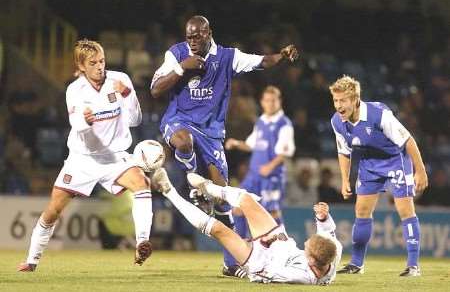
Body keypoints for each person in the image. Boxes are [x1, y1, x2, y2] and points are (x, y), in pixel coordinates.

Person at [150, 15, 298, 276]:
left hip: (212, 131)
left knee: (223, 199)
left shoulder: (229, 57)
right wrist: (182, 68)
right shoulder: (177, 54)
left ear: (209, 33)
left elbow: (261, 62)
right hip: (179, 120)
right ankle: (194, 182)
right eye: (189, 37)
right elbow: (155, 89)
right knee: (182, 141)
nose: (193, 42)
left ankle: (231, 262)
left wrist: (282, 56)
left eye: (198, 36)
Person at [18, 39, 154, 271]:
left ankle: (142, 242)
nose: (100, 66)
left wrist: (128, 93)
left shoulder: (120, 80)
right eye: (93, 63)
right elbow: (78, 126)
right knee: (54, 209)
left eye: (102, 61)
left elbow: (135, 120)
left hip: (114, 157)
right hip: (82, 159)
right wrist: (85, 121)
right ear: (81, 66)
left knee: (142, 183)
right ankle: (31, 260)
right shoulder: (75, 90)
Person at [150, 168, 342, 285]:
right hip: (280, 243)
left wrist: (258, 245)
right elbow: (327, 233)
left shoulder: (301, 277)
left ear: (312, 261)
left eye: (307, 248)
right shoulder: (333, 251)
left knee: (219, 230)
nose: (306, 243)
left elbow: (267, 274)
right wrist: (322, 217)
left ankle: (167, 190)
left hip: (260, 260)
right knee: (247, 200)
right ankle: (209, 188)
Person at [329, 75, 428, 276]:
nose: (339, 106)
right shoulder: (337, 122)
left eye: (343, 101)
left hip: (395, 161)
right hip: (369, 164)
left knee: (405, 210)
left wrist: (420, 171)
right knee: (361, 211)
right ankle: (356, 264)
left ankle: (413, 266)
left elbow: (408, 140)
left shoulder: (379, 115)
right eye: (336, 100)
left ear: (355, 100)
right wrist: (344, 180)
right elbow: (343, 152)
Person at [225, 85, 295, 238]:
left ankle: (284, 248)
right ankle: (243, 249)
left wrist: (270, 166)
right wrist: (237, 143)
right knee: (237, 207)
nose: (270, 104)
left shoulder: (284, 124)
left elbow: (285, 152)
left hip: (272, 176)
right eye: (267, 100)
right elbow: (252, 145)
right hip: (253, 176)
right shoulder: (261, 121)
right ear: (262, 102)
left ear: (279, 102)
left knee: (272, 211)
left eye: (273, 101)